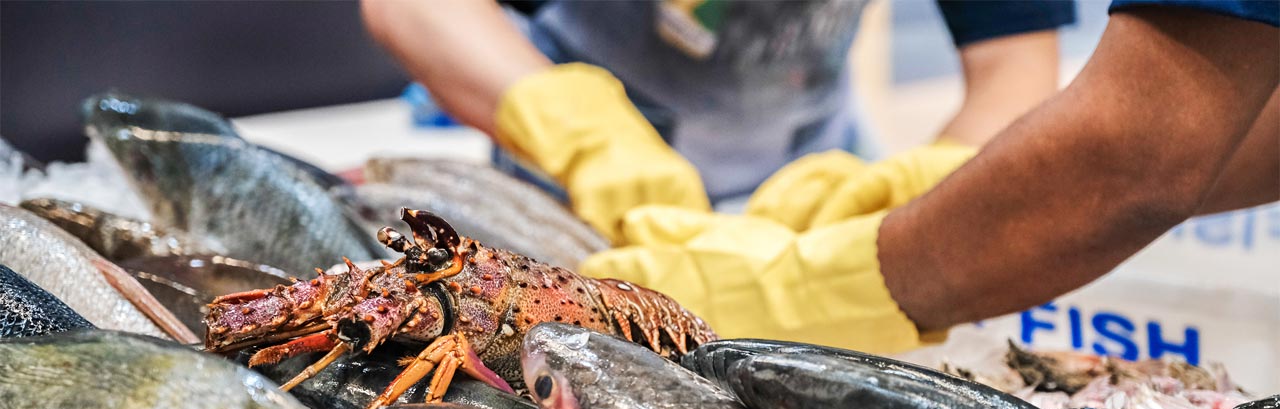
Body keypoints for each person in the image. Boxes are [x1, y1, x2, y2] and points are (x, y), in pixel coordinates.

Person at [362, 0, 1075, 244]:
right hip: (567, 195)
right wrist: (582, 134)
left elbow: (1014, 71)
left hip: (814, 170)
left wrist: (915, 198)